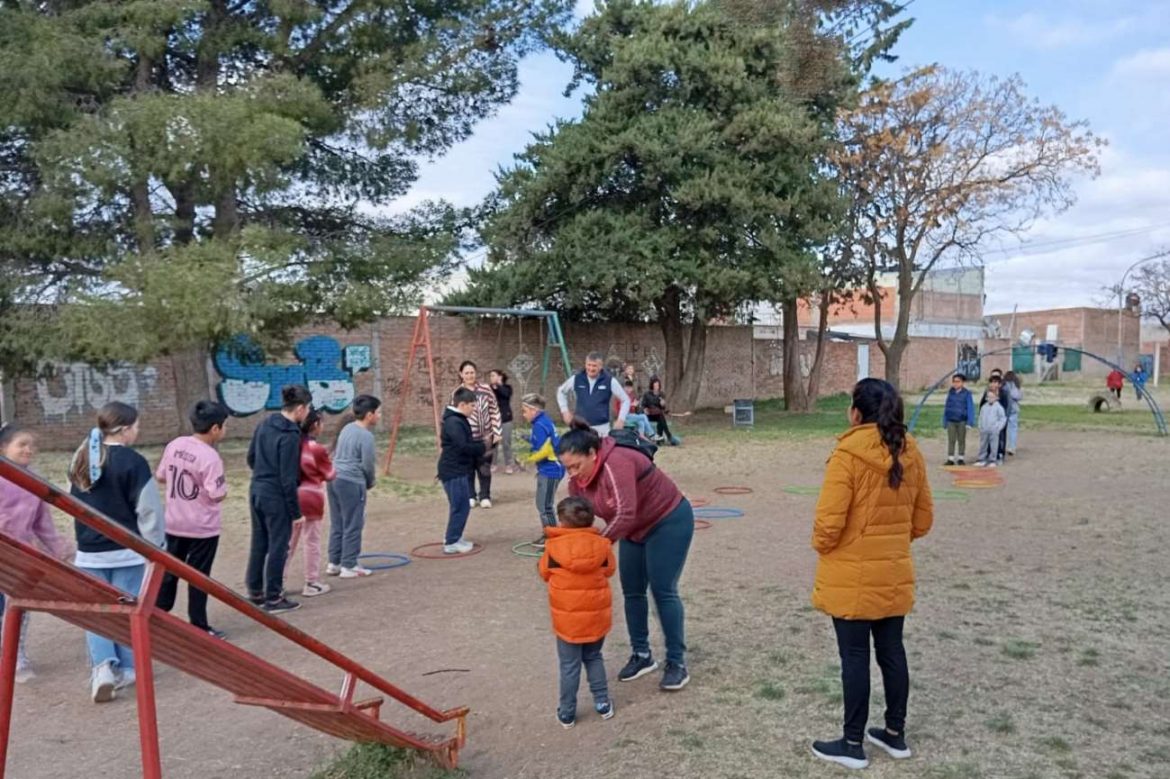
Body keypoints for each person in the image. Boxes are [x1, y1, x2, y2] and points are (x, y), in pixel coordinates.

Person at [810, 378, 933, 770]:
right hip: (892, 572)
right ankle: (895, 734)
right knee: (891, 651)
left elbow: (827, 525)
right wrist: (893, 541)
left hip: (853, 576)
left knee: (856, 657)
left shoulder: (847, 455)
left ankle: (852, 743)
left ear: (856, 412)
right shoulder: (911, 452)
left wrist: (826, 547)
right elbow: (923, 519)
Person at [558, 420, 694, 692]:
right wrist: (570, 546)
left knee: (663, 589)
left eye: (576, 466)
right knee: (632, 591)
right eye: (567, 468)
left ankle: (676, 663)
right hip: (634, 531)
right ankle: (642, 655)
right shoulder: (577, 482)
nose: (572, 474)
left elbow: (624, 513)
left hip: (667, 519)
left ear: (593, 453)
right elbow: (578, 516)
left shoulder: (615, 463)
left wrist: (596, 548)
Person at [68, 402, 165, 703]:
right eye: (136, 427)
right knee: (128, 608)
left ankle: (103, 668)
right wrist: (156, 547)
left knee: (96, 612)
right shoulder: (133, 462)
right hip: (127, 549)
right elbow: (148, 509)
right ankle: (130, 666)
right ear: (124, 430)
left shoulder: (81, 457)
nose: (138, 432)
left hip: (89, 550)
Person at [0, 424, 72, 683]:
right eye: (22, 444)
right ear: (3, 448)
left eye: (32, 445)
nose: (28, 449)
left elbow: (43, 522)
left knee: (18, 607)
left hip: (21, 556)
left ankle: (15, 655)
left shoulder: (34, 480)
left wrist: (58, 547)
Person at [539, 496, 616, 729]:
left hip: (568, 621)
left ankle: (567, 712)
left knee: (569, 665)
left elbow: (544, 573)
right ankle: (602, 703)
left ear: (561, 521)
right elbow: (610, 570)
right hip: (596, 616)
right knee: (593, 657)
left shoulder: (553, 548)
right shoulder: (603, 545)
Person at [155, 401, 230, 639]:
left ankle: (157, 614)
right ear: (215, 428)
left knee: (169, 573)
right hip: (202, 527)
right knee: (199, 577)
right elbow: (217, 493)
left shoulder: (175, 445)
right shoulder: (210, 457)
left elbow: (161, 476)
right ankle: (199, 624)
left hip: (174, 523)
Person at [246, 385, 311, 614]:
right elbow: (288, 477)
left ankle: (255, 590)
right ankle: (273, 597)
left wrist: (263, 474)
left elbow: (251, 457)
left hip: (256, 488)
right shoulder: (291, 434)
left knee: (259, 541)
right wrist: (295, 512)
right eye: (308, 409)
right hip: (275, 495)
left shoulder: (264, 423)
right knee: (278, 545)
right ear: (301, 408)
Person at [326, 395, 381, 579]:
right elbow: (368, 464)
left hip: (334, 479)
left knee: (338, 522)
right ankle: (349, 565)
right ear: (369, 415)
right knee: (353, 523)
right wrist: (370, 482)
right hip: (350, 481)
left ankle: (334, 562)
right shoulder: (366, 436)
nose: (379, 416)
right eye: (378, 412)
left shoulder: (347, 428)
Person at [290, 408, 335, 597]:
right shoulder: (316, 448)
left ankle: (277, 581)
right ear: (315, 425)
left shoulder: (292, 444)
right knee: (312, 541)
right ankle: (311, 582)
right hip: (312, 496)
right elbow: (330, 474)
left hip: (292, 496)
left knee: (288, 542)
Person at [437, 388, 485, 554]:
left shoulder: (457, 420)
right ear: (462, 404)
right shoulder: (454, 422)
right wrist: (482, 446)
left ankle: (454, 536)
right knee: (460, 505)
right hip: (453, 470)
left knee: (460, 505)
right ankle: (451, 542)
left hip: (457, 468)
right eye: (472, 405)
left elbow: (465, 443)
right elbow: (463, 446)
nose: (474, 409)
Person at [454, 361, 501, 509]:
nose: (469, 375)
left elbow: (494, 410)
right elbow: (454, 415)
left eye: (472, 372)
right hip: (467, 439)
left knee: (484, 467)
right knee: (468, 468)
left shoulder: (486, 389)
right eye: (466, 373)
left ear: (476, 373)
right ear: (461, 374)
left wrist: (497, 432)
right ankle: (470, 495)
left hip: (486, 437)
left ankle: (485, 496)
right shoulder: (458, 393)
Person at [521, 393, 565, 547]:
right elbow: (546, 442)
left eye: (525, 411)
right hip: (549, 469)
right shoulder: (543, 421)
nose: (523, 414)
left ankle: (553, 539)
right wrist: (528, 438)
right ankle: (549, 534)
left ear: (534, 410)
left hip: (551, 470)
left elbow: (544, 451)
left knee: (545, 505)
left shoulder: (539, 425)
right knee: (543, 504)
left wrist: (527, 461)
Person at [556, 352, 630, 436]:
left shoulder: (609, 380)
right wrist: (564, 411)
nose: (591, 368)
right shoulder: (577, 378)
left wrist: (621, 419)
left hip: (602, 428)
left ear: (600, 366)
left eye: (594, 366)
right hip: (580, 427)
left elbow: (625, 400)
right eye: (589, 365)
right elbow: (561, 392)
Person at [489, 370, 521, 474]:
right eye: (490, 376)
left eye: (493, 375)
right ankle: (493, 464)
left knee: (506, 443)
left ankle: (509, 465)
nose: (491, 377)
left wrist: (498, 385)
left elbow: (506, 395)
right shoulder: (489, 389)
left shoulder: (507, 388)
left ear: (500, 377)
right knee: (493, 443)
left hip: (506, 419)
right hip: (493, 419)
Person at [941, 373, 975, 466]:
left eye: (958, 381)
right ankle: (950, 458)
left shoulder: (967, 394)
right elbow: (947, 407)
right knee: (951, 439)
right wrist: (945, 420)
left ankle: (961, 457)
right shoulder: (950, 393)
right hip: (951, 420)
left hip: (962, 420)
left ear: (962, 383)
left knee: (961, 439)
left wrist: (970, 421)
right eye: (954, 382)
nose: (955, 384)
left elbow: (970, 408)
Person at [978, 374, 1010, 465]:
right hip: (986, 425)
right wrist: (981, 425)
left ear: (999, 384)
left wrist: (1000, 425)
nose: (993, 384)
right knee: (984, 442)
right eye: (991, 382)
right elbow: (982, 408)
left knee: (998, 441)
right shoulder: (986, 395)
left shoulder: (1003, 394)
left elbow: (1006, 409)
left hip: (997, 424)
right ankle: (983, 458)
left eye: (995, 382)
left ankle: (998, 456)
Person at [641, 376, 678, 446]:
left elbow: (663, 408)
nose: (656, 387)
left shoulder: (661, 394)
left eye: (658, 385)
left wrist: (663, 404)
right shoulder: (647, 394)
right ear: (652, 385)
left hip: (657, 414)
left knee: (660, 416)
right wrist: (644, 409)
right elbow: (643, 405)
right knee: (661, 417)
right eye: (655, 385)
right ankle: (668, 436)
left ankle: (660, 439)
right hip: (649, 414)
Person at [1002, 371, 1023, 456]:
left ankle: (1002, 446)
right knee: (1013, 429)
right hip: (1014, 409)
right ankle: (1012, 447)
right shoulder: (1016, 386)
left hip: (1004, 408)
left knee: (1002, 428)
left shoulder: (1003, 385)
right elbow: (1018, 396)